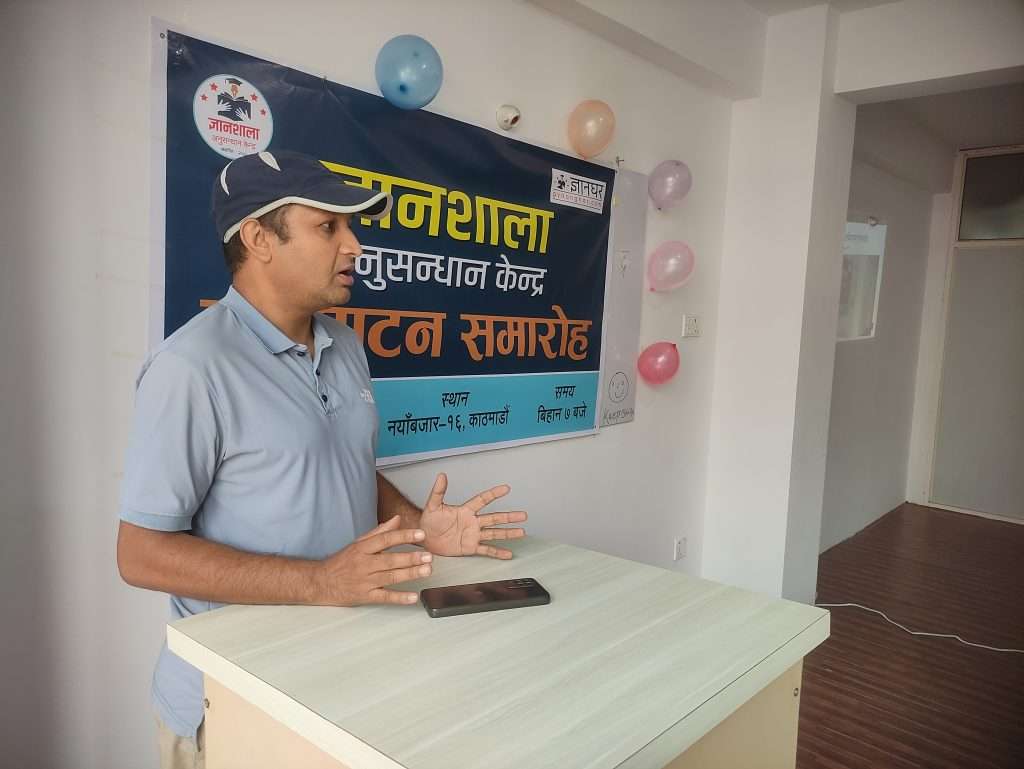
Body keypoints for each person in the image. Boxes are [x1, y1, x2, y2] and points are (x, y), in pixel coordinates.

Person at [116, 150, 527, 769]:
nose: (354, 246)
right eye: (328, 226)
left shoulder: (346, 345)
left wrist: (419, 526)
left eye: (350, 227)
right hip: (233, 704)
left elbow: (342, 462)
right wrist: (320, 582)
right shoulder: (190, 368)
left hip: (337, 681)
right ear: (258, 238)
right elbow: (140, 553)